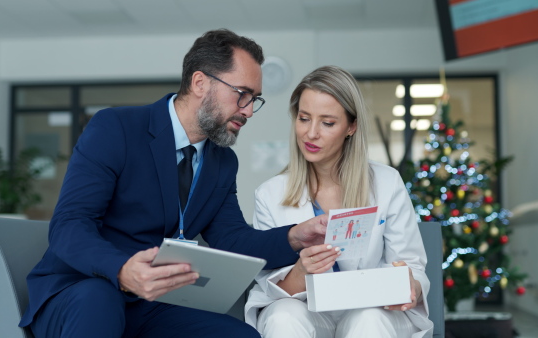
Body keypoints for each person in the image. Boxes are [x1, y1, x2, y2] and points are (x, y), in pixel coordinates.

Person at [19, 29, 332, 338]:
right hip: (83, 290)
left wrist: (295, 237)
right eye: (242, 95)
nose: (249, 110)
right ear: (200, 83)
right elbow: (69, 225)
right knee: (99, 301)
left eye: (255, 99)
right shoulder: (116, 128)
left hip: (151, 303)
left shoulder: (222, 161)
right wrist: (122, 270)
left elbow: (233, 240)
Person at [244, 66, 434, 337]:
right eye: (304, 118)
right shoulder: (270, 194)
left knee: (368, 320)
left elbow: (411, 266)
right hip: (307, 311)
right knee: (283, 316)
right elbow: (269, 286)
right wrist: (301, 271)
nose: (311, 134)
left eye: (327, 123)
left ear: (351, 126)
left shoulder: (387, 182)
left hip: (373, 310)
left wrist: (411, 286)